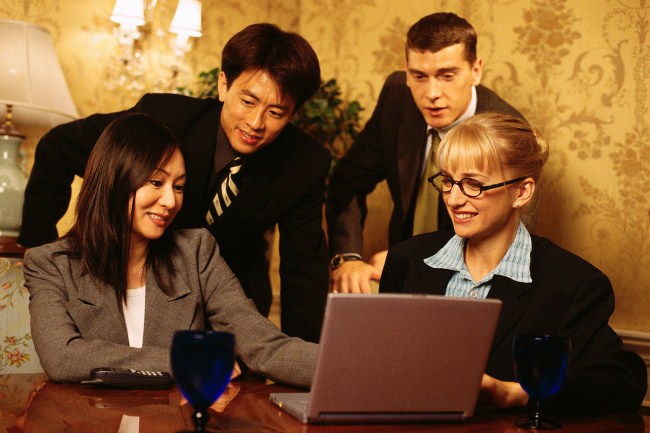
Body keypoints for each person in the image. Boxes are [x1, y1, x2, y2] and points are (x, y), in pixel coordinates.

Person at [19, 23, 330, 343]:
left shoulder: (305, 163)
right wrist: (37, 252)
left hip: (232, 308)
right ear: (224, 85)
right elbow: (58, 148)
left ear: (293, 113)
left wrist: (306, 367)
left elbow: (304, 272)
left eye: (276, 112)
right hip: (143, 292)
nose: (255, 123)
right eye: (248, 102)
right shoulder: (165, 117)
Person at [379, 112, 647, 413]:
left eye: (473, 184)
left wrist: (514, 393)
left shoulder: (574, 284)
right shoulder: (406, 260)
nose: (453, 199)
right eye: (448, 181)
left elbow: (622, 384)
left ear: (521, 192)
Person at [23, 113, 317, 387]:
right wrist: (186, 360)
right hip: (88, 419)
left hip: (173, 418)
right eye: (156, 182)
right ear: (115, 180)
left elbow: (264, 346)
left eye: (178, 187)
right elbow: (61, 357)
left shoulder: (196, 252)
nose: (170, 201)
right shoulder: (49, 263)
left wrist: (341, 366)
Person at [327, 12, 525, 294]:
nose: (432, 93)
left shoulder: (506, 131)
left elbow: (504, 241)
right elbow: (347, 181)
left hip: (472, 281)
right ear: (407, 72)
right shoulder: (397, 98)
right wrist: (347, 257)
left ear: (476, 70)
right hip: (399, 275)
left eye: (447, 76)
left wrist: (411, 259)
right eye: (419, 76)